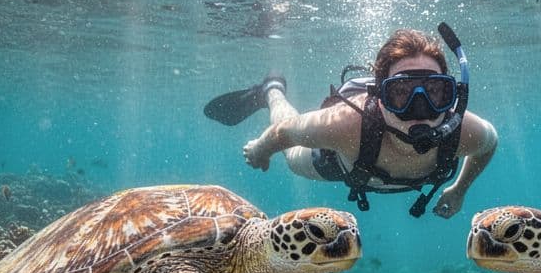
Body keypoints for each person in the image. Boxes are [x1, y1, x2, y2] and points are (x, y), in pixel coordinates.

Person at [205, 26, 497, 219]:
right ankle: (271, 90)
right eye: (401, 93)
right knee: (293, 160)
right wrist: (261, 149)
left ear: (451, 94)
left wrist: (460, 189)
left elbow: (489, 144)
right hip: (342, 163)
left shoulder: (463, 131)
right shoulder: (347, 125)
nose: (420, 109)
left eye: (434, 92)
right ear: (381, 96)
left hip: (365, 167)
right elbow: (285, 132)